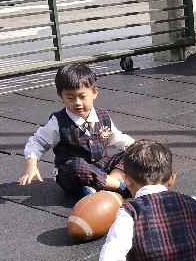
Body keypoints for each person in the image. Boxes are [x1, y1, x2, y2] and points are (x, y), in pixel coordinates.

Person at [19, 63, 133, 198]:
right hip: (72, 175)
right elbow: (38, 141)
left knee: (131, 154)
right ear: (61, 96)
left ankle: (105, 185)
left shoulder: (102, 116)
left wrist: (139, 148)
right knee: (77, 165)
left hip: (101, 167)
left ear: (94, 93)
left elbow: (116, 137)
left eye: (82, 96)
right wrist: (31, 164)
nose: (77, 103)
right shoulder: (58, 122)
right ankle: (120, 186)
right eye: (70, 98)